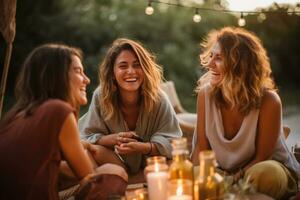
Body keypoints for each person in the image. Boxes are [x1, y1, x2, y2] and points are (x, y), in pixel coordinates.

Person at [0, 44, 128, 200]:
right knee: (114, 173)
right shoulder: (57, 110)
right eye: (78, 71)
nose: (86, 80)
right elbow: (90, 179)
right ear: (56, 75)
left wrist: (85, 147)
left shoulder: (14, 116)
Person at [191, 27, 299, 199]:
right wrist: (203, 176)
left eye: (218, 58)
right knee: (196, 175)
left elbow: (263, 157)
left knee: (264, 173)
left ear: (240, 64)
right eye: (211, 56)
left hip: (263, 169)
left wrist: (233, 180)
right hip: (223, 173)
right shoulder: (205, 95)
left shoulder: (269, 101)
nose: (210, 64)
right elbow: (203, 152)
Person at [79, 38, 182, 175]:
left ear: (145, 69)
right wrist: (112, 139)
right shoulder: (101, 96)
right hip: (116, 162)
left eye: (137, 65)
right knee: (90, 150)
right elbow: (85, 137)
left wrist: (144, 147)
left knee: (174, 167)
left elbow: (175, 142)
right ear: (112, 73)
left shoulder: (159, 98)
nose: (131, 71)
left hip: (152, 164)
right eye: (123, 66)